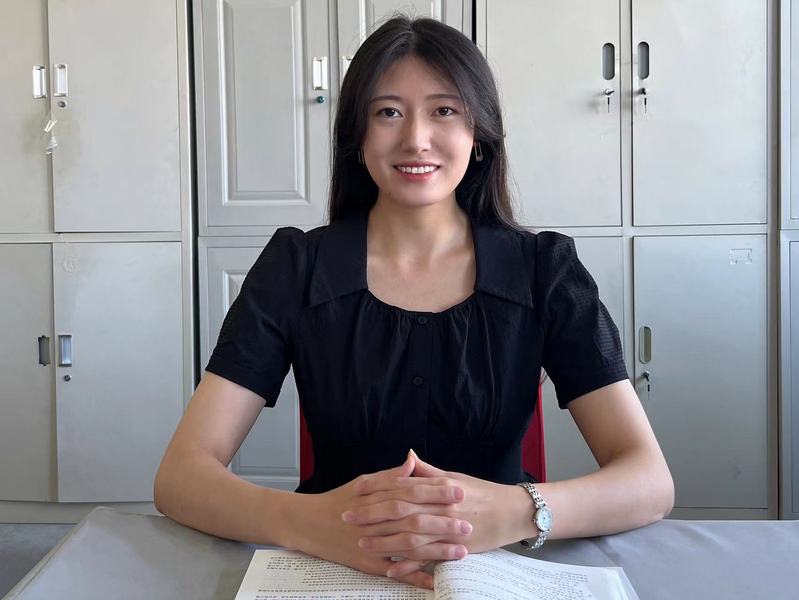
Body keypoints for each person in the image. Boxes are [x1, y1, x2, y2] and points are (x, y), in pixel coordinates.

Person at [153, 15, 674, 591]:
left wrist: (516, 510)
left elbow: (648, 480)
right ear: (357, 136)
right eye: (388, 112)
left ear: (479, 133)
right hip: (331, 568)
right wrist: (310, 521)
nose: (416, 139)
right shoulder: (296, 267)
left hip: (496, 569)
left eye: (444, 110)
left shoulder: (542, 270)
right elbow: (181, 476)